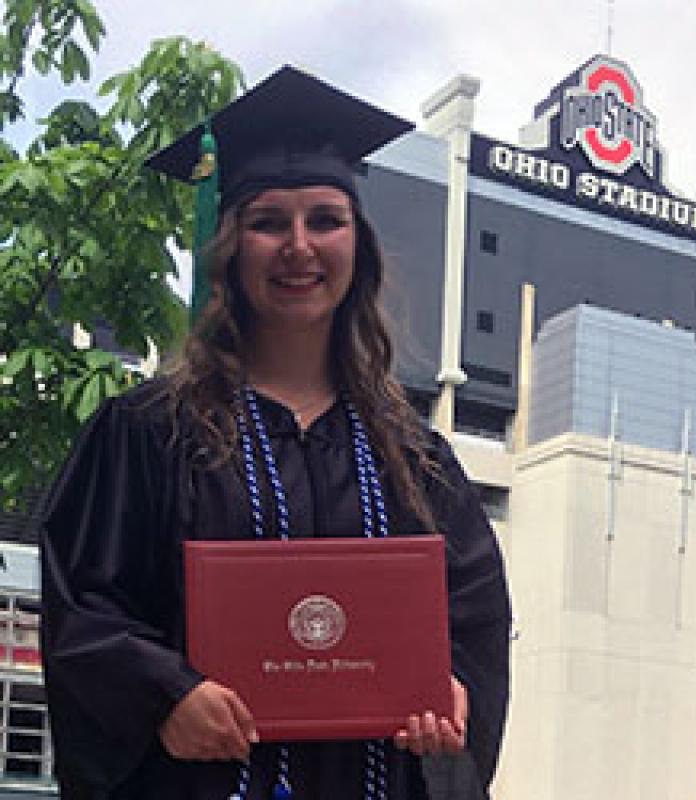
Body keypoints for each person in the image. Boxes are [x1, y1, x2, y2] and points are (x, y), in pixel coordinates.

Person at [40, 66, 511, 800]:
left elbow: (475, 627)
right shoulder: (146, 434)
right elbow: (83, 612)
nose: (299, 245)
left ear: (359, 247)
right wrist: (162, 696)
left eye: (325, 219)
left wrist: (454, 694)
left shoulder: (419, 461)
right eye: (267, 222)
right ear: (231, 248)